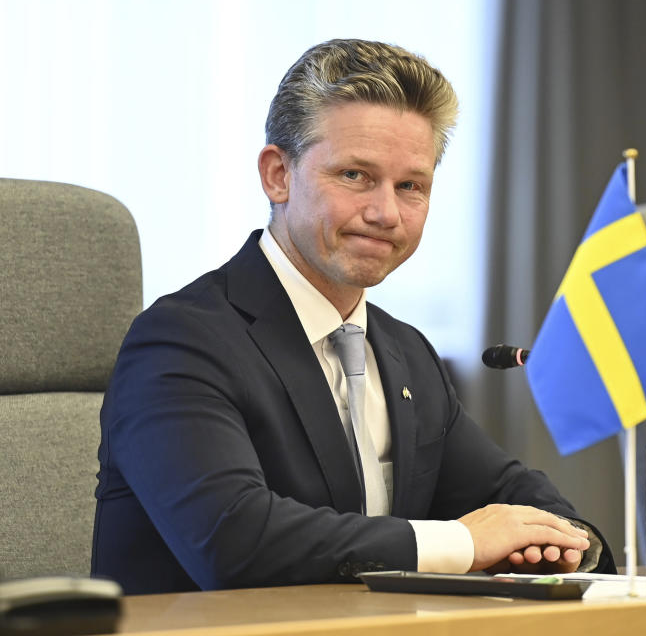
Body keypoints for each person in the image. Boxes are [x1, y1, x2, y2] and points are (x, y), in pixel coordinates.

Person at [92, 39, 615, 594]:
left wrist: (567, 542)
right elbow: (234, 542)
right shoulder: (179, 341)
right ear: (277, 175)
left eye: (410, 186)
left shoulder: (405, 351)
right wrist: (464, 543)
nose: (385, 213)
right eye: (355, 176)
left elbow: (510, 493)